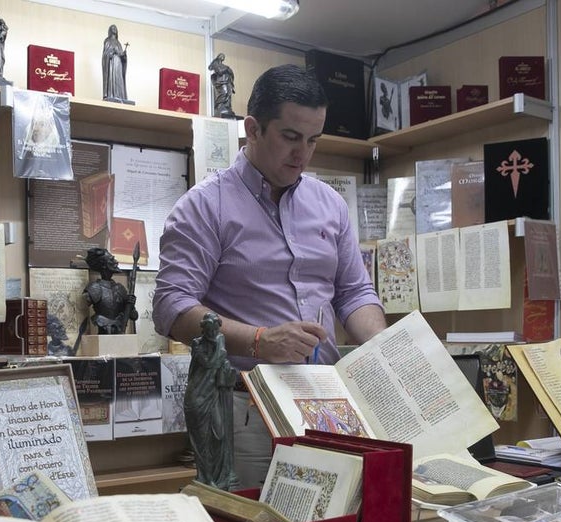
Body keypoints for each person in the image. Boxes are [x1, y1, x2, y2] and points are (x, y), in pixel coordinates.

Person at [153, 64, 387, 489]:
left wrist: (385, 348)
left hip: (327, 402)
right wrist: (261, 340)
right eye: (291, 137)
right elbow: (173, 308)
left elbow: (354, 292)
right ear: (253, 129)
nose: (303, 154)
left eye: (314, 140)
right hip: (246, 407)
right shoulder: (205, 206)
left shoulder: (330, 205)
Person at [185, 313, 239, 490]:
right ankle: (206, 478)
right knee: (202, 440)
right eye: (209, 329)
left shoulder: (219, 339)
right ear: (203, 329)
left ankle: (219, 475)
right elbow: (210, 363)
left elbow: (221, 362)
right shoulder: (198, 343)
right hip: (197, 396)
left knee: (219, 434)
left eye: (215, 329)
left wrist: (219, 344)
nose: (213, 332)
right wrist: (219, 345)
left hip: (213, 394)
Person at [82, 247, 136, 335]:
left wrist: (131, 304)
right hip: (103, 331)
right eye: (112, 260)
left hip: (119, 333)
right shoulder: (95, 288)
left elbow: (134, 316)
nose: (116, 262)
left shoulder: (120, 288)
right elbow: (82, 305)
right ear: (104, 265)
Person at [101, 25, 129, 103]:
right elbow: (105, 55)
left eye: (115, 28)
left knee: (119, 78)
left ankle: (120, 96)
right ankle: (112, 94)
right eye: (112, 28)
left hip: (118, 64)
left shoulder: (118, 43)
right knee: (112, 78)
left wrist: (124, 56)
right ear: (110, 30)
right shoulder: (107, 41)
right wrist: (111, 53)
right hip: (112, 63)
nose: (114, 29)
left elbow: (121, 54)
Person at [209, 53, 236, 119]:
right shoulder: (216, 64)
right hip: (221, 82)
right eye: (222, 56)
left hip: (227, 82)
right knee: (224, 93)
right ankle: (219, 107)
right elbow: (220, 71)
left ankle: (226, 107)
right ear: (219, 57)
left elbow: (231, 74)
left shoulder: (223, 65)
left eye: (223, 56)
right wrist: (227, 68)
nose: (223, 57)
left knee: (228, 95)